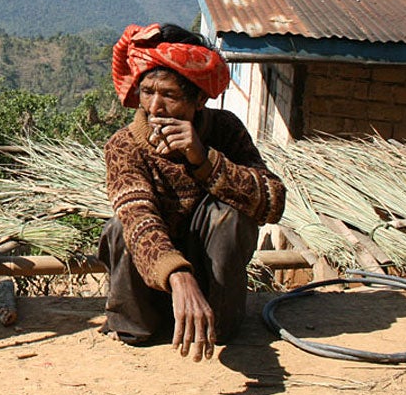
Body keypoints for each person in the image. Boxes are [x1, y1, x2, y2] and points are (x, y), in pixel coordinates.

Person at [98, 22, 286, 361]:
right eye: (147, 92)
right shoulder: (124, 145)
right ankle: (136, 323)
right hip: (153, 283)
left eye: (169, 95)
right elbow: (138, 216)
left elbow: (272, 202)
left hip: (212, 290)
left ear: (199, 99)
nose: (155, 107)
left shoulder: (225, 130)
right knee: (121, 228)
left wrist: (203, 158)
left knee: (229, 214)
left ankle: (217, 322)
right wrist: (178, 276)